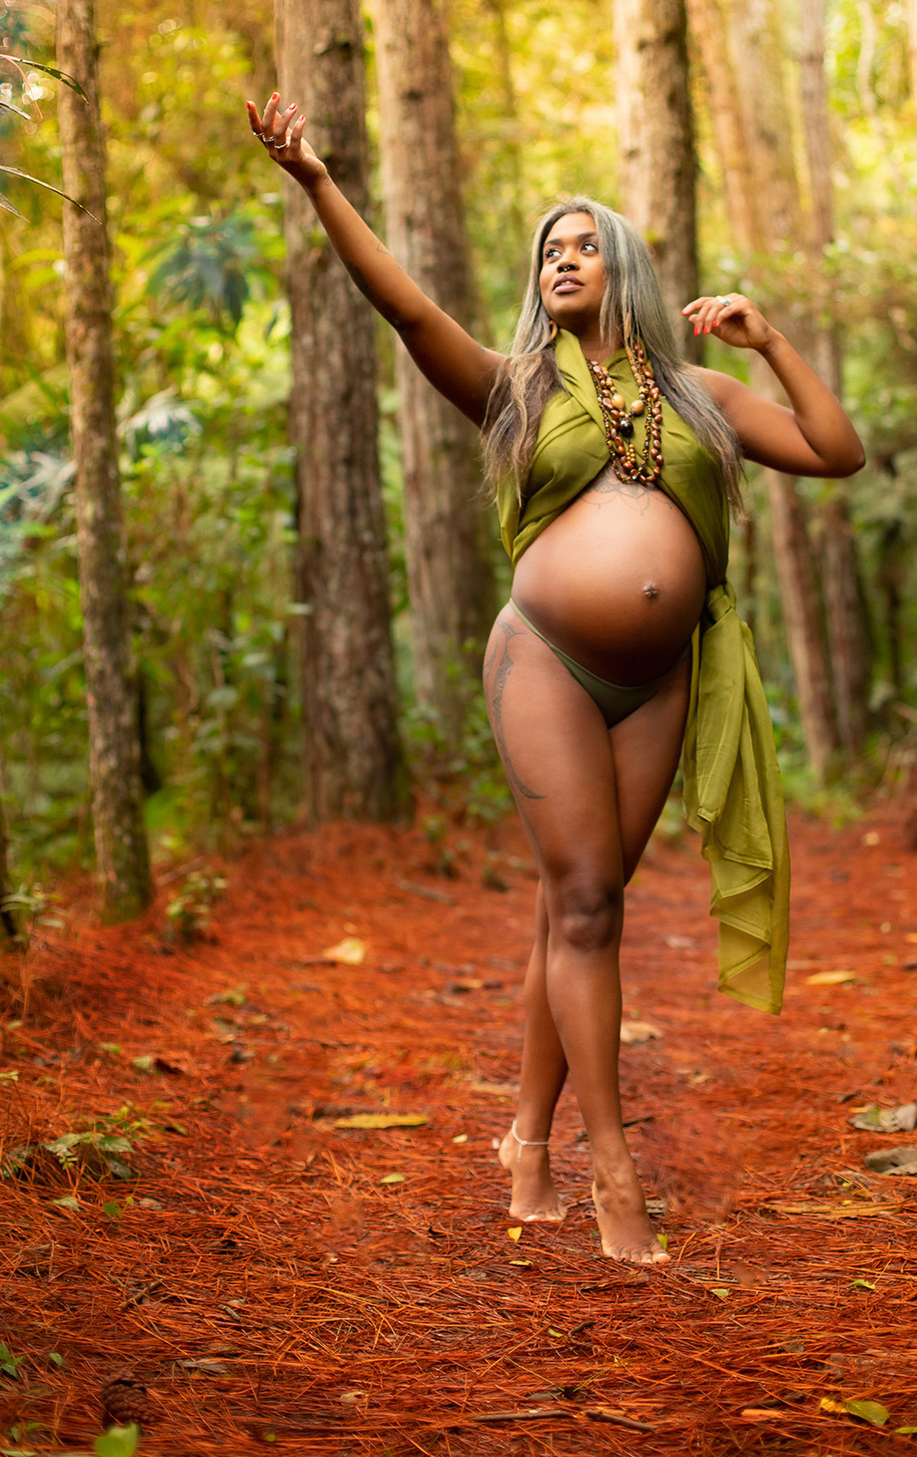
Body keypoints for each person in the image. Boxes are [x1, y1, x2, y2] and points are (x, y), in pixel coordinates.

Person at [247, 91, 865, 1266]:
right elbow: (405, 306)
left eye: (585, 245)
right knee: (583, 907)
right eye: (549, 252)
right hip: (546, 660)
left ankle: (526, 1143)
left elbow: (839, 452)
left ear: (624, 268)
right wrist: (318, 181)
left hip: (663, 682)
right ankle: (612, 1172)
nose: (563, 261)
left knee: (580, 907)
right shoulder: (516, 387)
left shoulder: (704, 397)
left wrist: (769, 341)